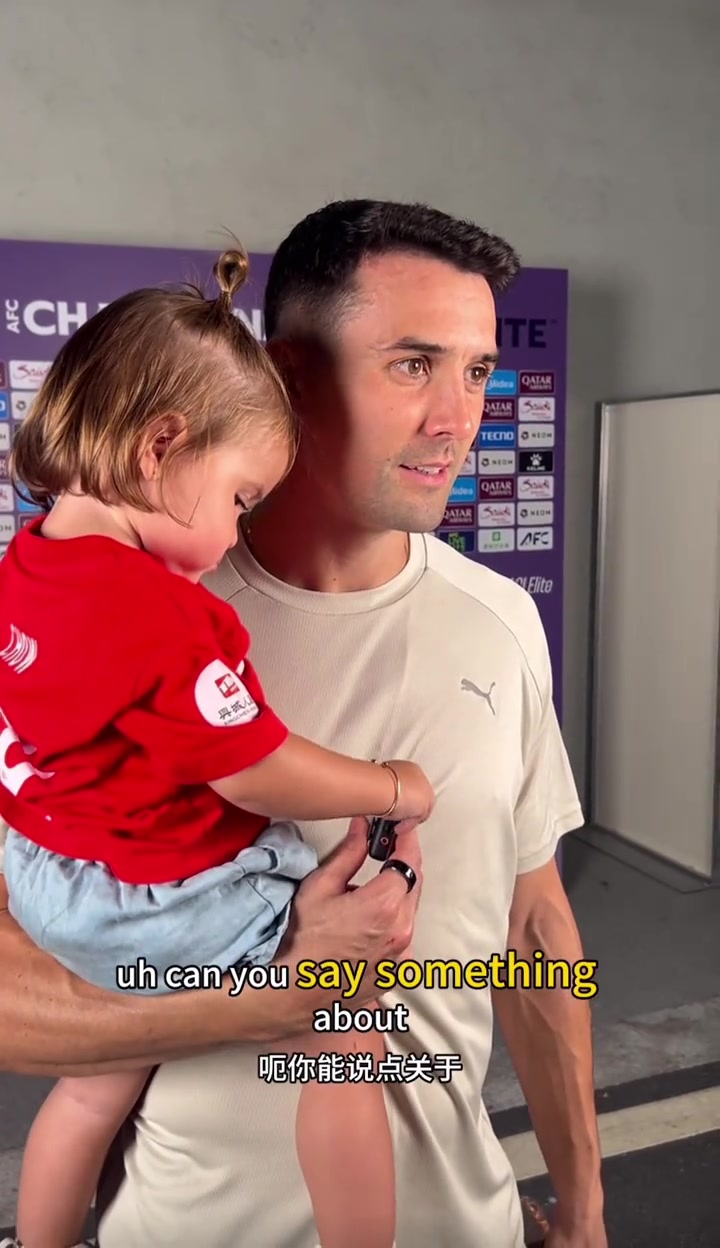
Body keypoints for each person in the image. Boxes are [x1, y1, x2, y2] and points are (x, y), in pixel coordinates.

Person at [0, 197, 607, 1248]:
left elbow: (533, 930)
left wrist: (587, 1208)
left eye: (476, 371)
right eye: (413, 364)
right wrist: (275, 992)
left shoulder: (504, 620)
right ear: (288, 376)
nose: (459, 417)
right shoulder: (122, 618)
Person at [0, 246, 434, 1248]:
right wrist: (391, 786)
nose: (238, 536)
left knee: (92, 1089)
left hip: (48, 879)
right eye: (240, 498)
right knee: (350, 1027)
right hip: (156, 901)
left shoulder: (25, 566)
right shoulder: (160, 616)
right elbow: (253, 769)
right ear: (162, 445)